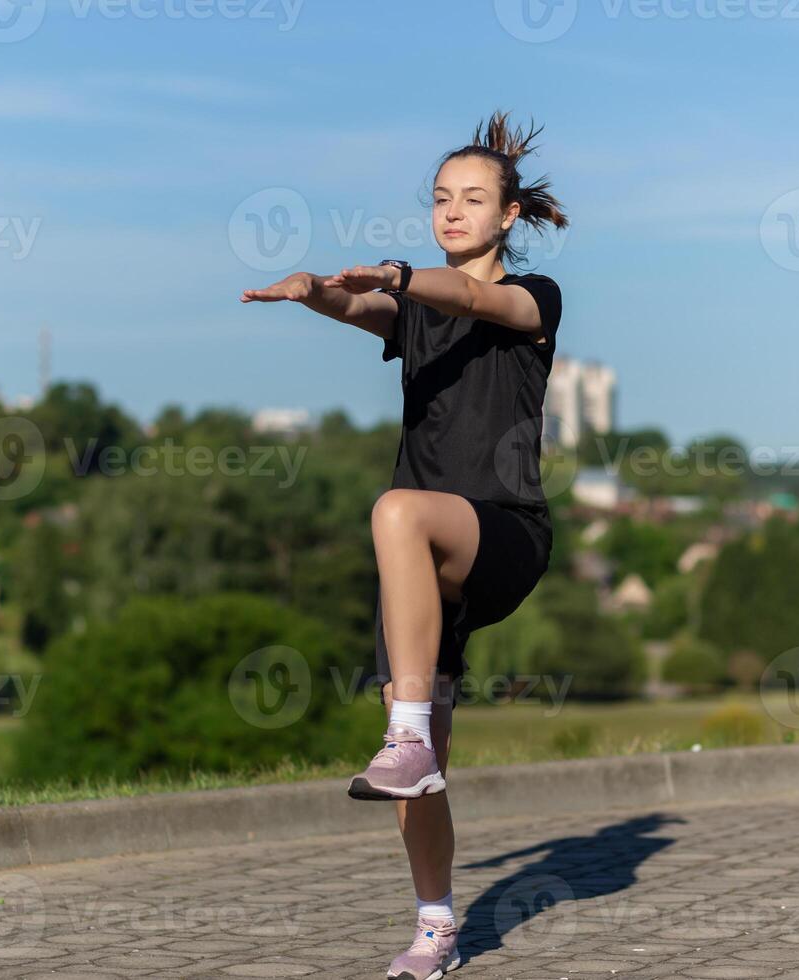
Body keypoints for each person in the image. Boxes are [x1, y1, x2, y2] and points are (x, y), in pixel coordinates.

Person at [240, 109, 568, 980]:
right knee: (416, 770)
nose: (452, 211)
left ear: (507, 217)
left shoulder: (533, 300)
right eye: (439, 198)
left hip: (501, 535)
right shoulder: (413, 311)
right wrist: (314, 291)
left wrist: (398, 273)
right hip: (419, 571)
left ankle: (408, 729)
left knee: (395, 509)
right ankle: (436, 928)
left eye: (471, 199)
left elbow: (466, 296)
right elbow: (367, 309)